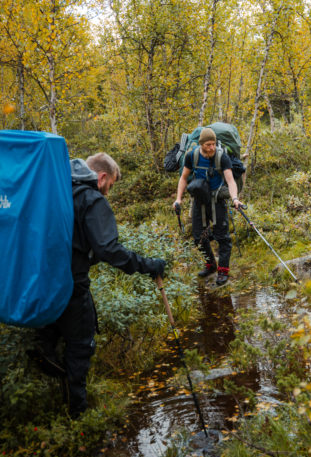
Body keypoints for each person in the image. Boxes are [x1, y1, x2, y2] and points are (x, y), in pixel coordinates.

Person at [33, 152, 166, 418]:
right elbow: (109, 250)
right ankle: (77, 416)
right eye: (111, 186)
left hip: (42, 280)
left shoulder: (57, 192)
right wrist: (149, 265)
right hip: (72, 284)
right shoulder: (91, 199)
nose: (108, 193)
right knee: (81, 346)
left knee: (51, 337)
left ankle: (44, 351)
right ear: (101, 177)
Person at [173, 128, 244, 286]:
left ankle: (223, 271)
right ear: (201, 145)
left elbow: (231, 180)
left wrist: (235, 198)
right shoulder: (192, 156)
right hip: (199, 200)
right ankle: (211, 265)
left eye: (213, 144)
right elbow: (184, 178)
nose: (212, 147)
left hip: (217, 200)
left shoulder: (221, 157)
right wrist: (178, 199)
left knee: (223, 237)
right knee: (198, 236)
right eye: (208, 145)